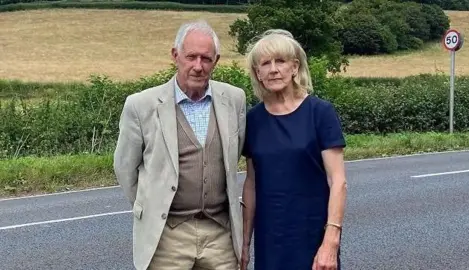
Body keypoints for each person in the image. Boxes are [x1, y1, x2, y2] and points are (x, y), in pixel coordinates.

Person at [113, 20, 247, 270]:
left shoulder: (235, 99)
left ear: (216, 61)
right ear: (175, 56)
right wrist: (152, 205)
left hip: (220, 234)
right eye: (191, 57)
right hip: (167, 236)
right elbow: (125, 168)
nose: (198, 66)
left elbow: (234, 154)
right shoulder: (141, 105)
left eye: (206, 59)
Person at [240, 29, 348, 270]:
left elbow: (338, 181)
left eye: (280, 61)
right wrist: (244, 244)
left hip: (312, 238)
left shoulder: (320, 113)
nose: (273, 69)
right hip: (270, 242)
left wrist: (331, 242)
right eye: (265, 64)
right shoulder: (253, 120)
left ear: (295, 67)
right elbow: (251, 184)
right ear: (258, 73)